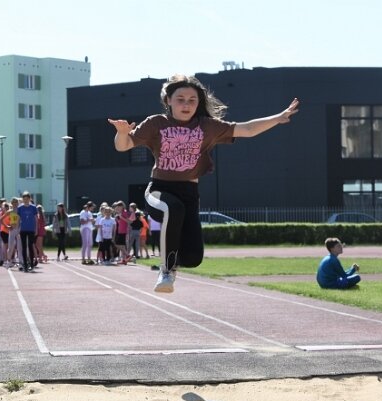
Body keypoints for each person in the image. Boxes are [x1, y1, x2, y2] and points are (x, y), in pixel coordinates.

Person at [108, 74, 298, 293]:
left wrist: (278, 118)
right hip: (160, 190)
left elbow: (247, 129)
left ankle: (175, 262)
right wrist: (122, 133)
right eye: (180, 99)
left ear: (198, 103)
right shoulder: (157, 123)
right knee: (173, 208)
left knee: (193, 257)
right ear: (168, 100)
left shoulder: (207, 126)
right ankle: (166, 271)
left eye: (192, 100)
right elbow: (123, 146)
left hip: (189, 193)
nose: (186, 104)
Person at [17, 192, 38, 272]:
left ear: (30, 199)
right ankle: (25, 265)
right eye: (24, 199)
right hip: (23, 229)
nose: (25, 200)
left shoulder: (33, 207)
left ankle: (31, 264)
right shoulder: (20, 208)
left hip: (31, 229)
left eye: (27, 199)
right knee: (24, 247)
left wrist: (36, 229)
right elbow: (18, 219)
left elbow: (36, 219)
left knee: (30, 246)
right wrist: (18, 229)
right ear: (22, 199)